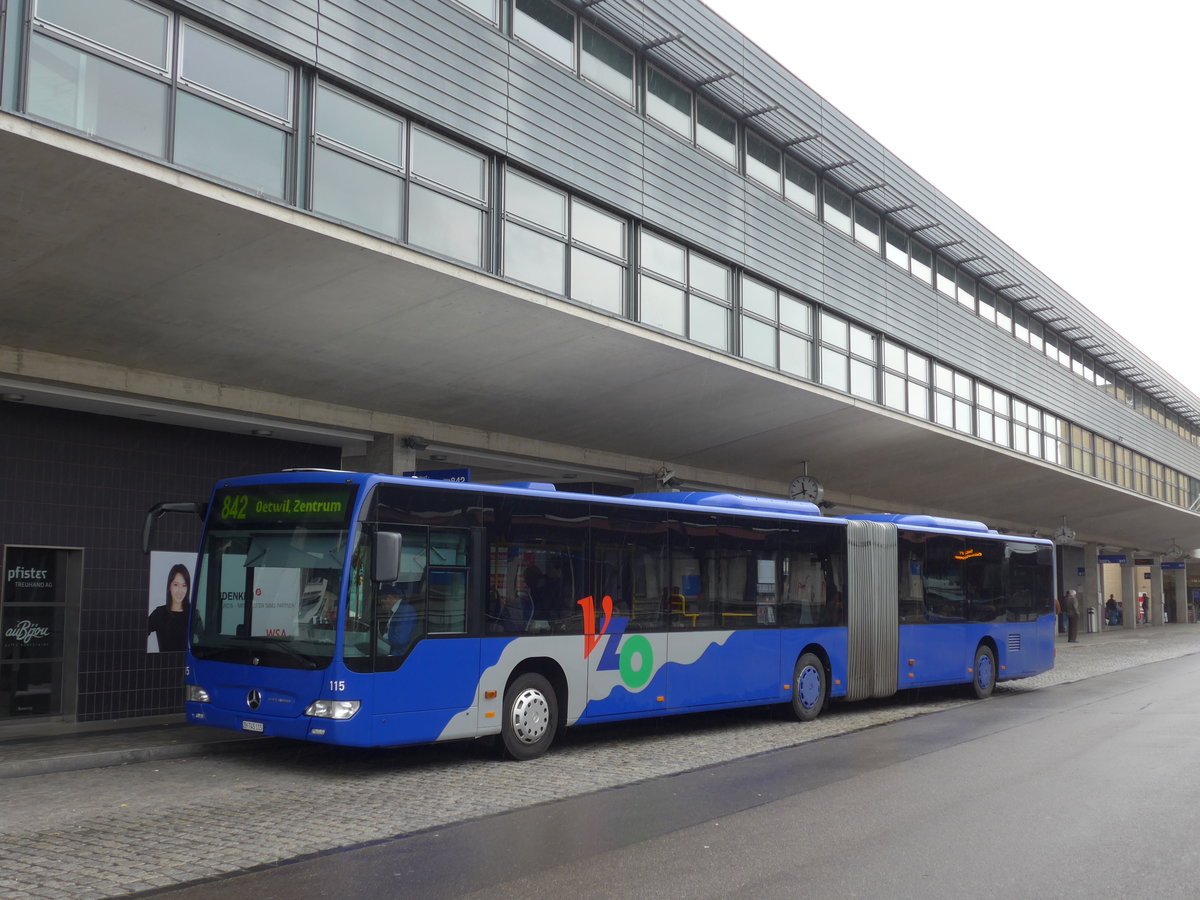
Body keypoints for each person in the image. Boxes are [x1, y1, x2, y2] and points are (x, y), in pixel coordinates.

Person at [148, 563, 190, 652]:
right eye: (176, 585)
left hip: (187, 664)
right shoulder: (159, 613)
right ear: (169, 586)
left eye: (184, 585)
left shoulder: (193, 614)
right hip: (164, 664)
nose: (180, 591)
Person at [378, 585, 419, 656]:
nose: (381, 604)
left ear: (389, 597)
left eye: (381, 600)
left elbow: (400, 640)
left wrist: (384, 640)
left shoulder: (406, 610)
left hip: (398, 656)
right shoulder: (397, 610)